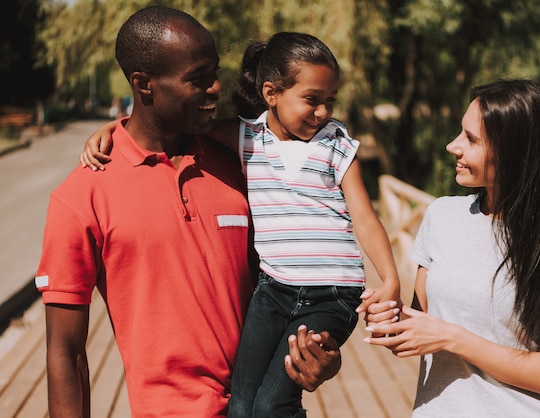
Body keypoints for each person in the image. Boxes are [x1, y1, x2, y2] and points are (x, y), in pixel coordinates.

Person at [36, 7, 340, 417]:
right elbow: (65, 352)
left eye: (215, 72)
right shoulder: (81, 195)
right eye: (198, 79)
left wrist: (322, 350)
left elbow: (293, 278)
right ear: (144, 85)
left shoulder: (247, 162)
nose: (216, 87)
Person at [81, 31, 401, 418]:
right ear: (271, 93)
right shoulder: (248, 138)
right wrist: (115, 129)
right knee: (241, 405)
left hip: (331, 294)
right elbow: (177, 126)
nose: (322, 112)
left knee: (271, 406)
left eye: (329, 101)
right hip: (273, 292)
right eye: (311, 100)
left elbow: (365, 217)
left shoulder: (336, 143)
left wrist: (390, 279)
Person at [363, 80, 540, 417]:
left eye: (471, 140)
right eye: (460, 133)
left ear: (515, 152)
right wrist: (388, 314)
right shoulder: (441, 215)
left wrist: (451, 338)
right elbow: (420, 326)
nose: (452, 146)